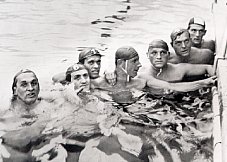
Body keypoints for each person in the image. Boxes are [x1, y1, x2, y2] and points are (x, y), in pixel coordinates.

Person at [138, 39, 217, 94]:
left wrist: (216, 77)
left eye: (162, 53)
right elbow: (171, 86)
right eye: (154, 53)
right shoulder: (143, 74)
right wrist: (204, 83)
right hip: (150, 103)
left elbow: (207, 67)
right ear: (148, 55)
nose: (159, 57)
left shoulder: (179, 68)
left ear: (168, 55)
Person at [52, 48, 116, 85]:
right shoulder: (74, 77)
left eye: (98, 62)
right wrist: (73, 73)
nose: (96, 66)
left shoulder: (103, 77)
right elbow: (55, 78)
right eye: (91, 62)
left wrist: (109, 71)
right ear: (81, 64)